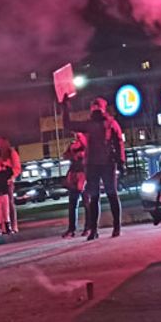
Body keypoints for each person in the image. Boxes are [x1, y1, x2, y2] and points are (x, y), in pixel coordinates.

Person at [62, 96, 124, 240]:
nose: (95, 108)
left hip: (104, 164)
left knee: (109, 195)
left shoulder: (108, 123)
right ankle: (96, 230)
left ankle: (113, 228)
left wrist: (121, 160)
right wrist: (65, 107)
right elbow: (68, 124)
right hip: (94, 165)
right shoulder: (99, 124)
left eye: (97, 106)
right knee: (97, 197)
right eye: (93, 106)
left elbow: (119, 141)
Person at [0, 137, 20, 234]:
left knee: (9, 203)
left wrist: (11, 177)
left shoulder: (11, 153)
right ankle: (1, 226)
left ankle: (12, 226)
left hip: (7, 181)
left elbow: (16, 167)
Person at [61, 135, 88, 238]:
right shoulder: (73, 144)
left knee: (87, 202)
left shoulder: (87, 143)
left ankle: (88, 227)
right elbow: (65, 155)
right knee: (72, 203)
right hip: (74, 174)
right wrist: (71, 155)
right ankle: (71, 229)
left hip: (85, 174)